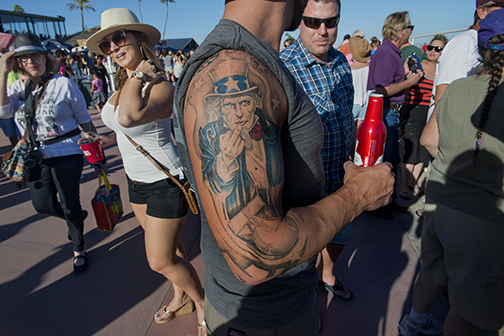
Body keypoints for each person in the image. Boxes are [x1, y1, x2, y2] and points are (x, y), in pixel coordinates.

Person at [172, 0, 395, 334]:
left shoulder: (255, 59)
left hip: (280, 300)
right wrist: (359, 195)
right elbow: (256, 254)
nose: (239, 112)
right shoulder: (230, 66)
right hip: (264, 315)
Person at [85, 8, 206, 335]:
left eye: (120, 37)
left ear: (140, 39)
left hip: (165, 181)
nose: (114, 46)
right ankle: (180, 293)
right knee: (174, 250)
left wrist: (139, 75)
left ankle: (202, 303)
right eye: (108, 43)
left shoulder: (159, 85)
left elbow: (127, 117)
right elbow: (121, 127)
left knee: (160, 260)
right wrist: (102, 139)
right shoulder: (123, 85)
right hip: (135, 182)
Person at [399, 9, 504, 336]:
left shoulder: (458, 87)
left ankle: (413, 322)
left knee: (433, 271)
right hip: (484, 217)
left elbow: (430, 140)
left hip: (441, 203)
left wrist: (456, 168)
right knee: (469, 311)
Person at [0, 33, 97, 274]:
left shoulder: (63, 84)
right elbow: (3, 112)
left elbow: (84, 120)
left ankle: (78, 248)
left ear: (44, 57)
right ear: (17, 62)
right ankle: (73, 218)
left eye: (35, 55)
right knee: (41, 205)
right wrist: (3, 72)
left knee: (69, 201)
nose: (30, 61)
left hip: (66, 152)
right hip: (35, 155)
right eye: (23, 58)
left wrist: (95, 149)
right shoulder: (16, 88)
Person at [280, 0, 354, 301]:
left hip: (341, 177)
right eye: (313, 22)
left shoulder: (340, 62)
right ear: (300, 21)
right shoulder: (283, 67)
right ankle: (307, 302)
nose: (323, 30)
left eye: (331, 22)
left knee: (343, 235)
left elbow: (346, 117)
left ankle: (327, 273)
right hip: (305, 187)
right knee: (302, 256)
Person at [366, 11, 423, 220]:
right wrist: (409, 83)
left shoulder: (390, 53)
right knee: (386, 161)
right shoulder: (387, 54)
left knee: (390, 159)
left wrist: (404, 74)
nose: (411, 31)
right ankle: (379, 206)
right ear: (401, 31)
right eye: (410, 27)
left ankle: (385, 203)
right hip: (386, 112)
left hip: (389, 112)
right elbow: (380, 90)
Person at [429, 0, 504, 121]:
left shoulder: (481, 43)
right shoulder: (465, 43)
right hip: (450, 131)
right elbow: (443, 97)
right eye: (501, 6)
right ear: (482, 11)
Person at [399, 35, 447, 201]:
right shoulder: (419, 65)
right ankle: (404, 185)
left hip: (431, 111)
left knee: (423, 151)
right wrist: (412, 75)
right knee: (410, 149)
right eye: (430, 48)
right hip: (414, 109)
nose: (433, 51)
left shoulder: (444, 70)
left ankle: (413, 182)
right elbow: (405, 84)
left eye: (438, 49)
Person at [349, 35, 372, 129]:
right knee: (361, 126)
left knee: (351, 127)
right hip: (367, 101)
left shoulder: (350, 69)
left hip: (354, 101)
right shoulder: (371, 67)